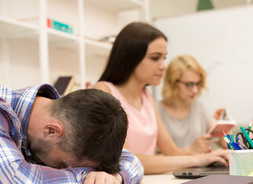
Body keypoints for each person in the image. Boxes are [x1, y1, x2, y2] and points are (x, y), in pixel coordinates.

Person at [0, 83, 144, 184]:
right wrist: (88, 181)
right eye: (64, 165)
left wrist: (113, 178)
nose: (64, 170)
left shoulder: (67, 118)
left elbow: (131, 160)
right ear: (52, 131)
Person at [92, 22, 229, 174]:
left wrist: (213, 156)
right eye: (155, 58)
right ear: (130, 57)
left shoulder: (146, 96)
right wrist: (199, 159)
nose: (164, 66)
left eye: (164, 58)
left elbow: (172, 151)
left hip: (148, 183)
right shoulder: (103, 92)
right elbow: (125, 160)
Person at [157, 54, 227, 153]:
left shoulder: (198, 108)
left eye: (198, 83)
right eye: (189, 84)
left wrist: (224, 127)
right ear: (172, 82)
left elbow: (223, 142)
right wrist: (192, 150)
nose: (195, 90)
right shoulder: (156, 110)